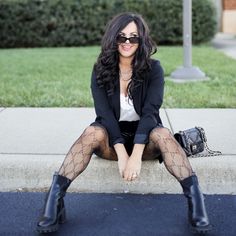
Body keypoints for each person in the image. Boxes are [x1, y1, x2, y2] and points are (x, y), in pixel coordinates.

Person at [36, 12, 212, 234]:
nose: (127, 42)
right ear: (113, 38)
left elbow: (150, 113)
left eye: (133, 37)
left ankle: (196, 203)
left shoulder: (153, 69)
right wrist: (121, 154)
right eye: (122, 37)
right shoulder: (100, 69)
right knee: (92, 132)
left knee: (163, 134)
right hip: (111, 137)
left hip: (145, 137)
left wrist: (136, 155)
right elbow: (104, 114)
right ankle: (54, 200)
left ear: (141, 40)